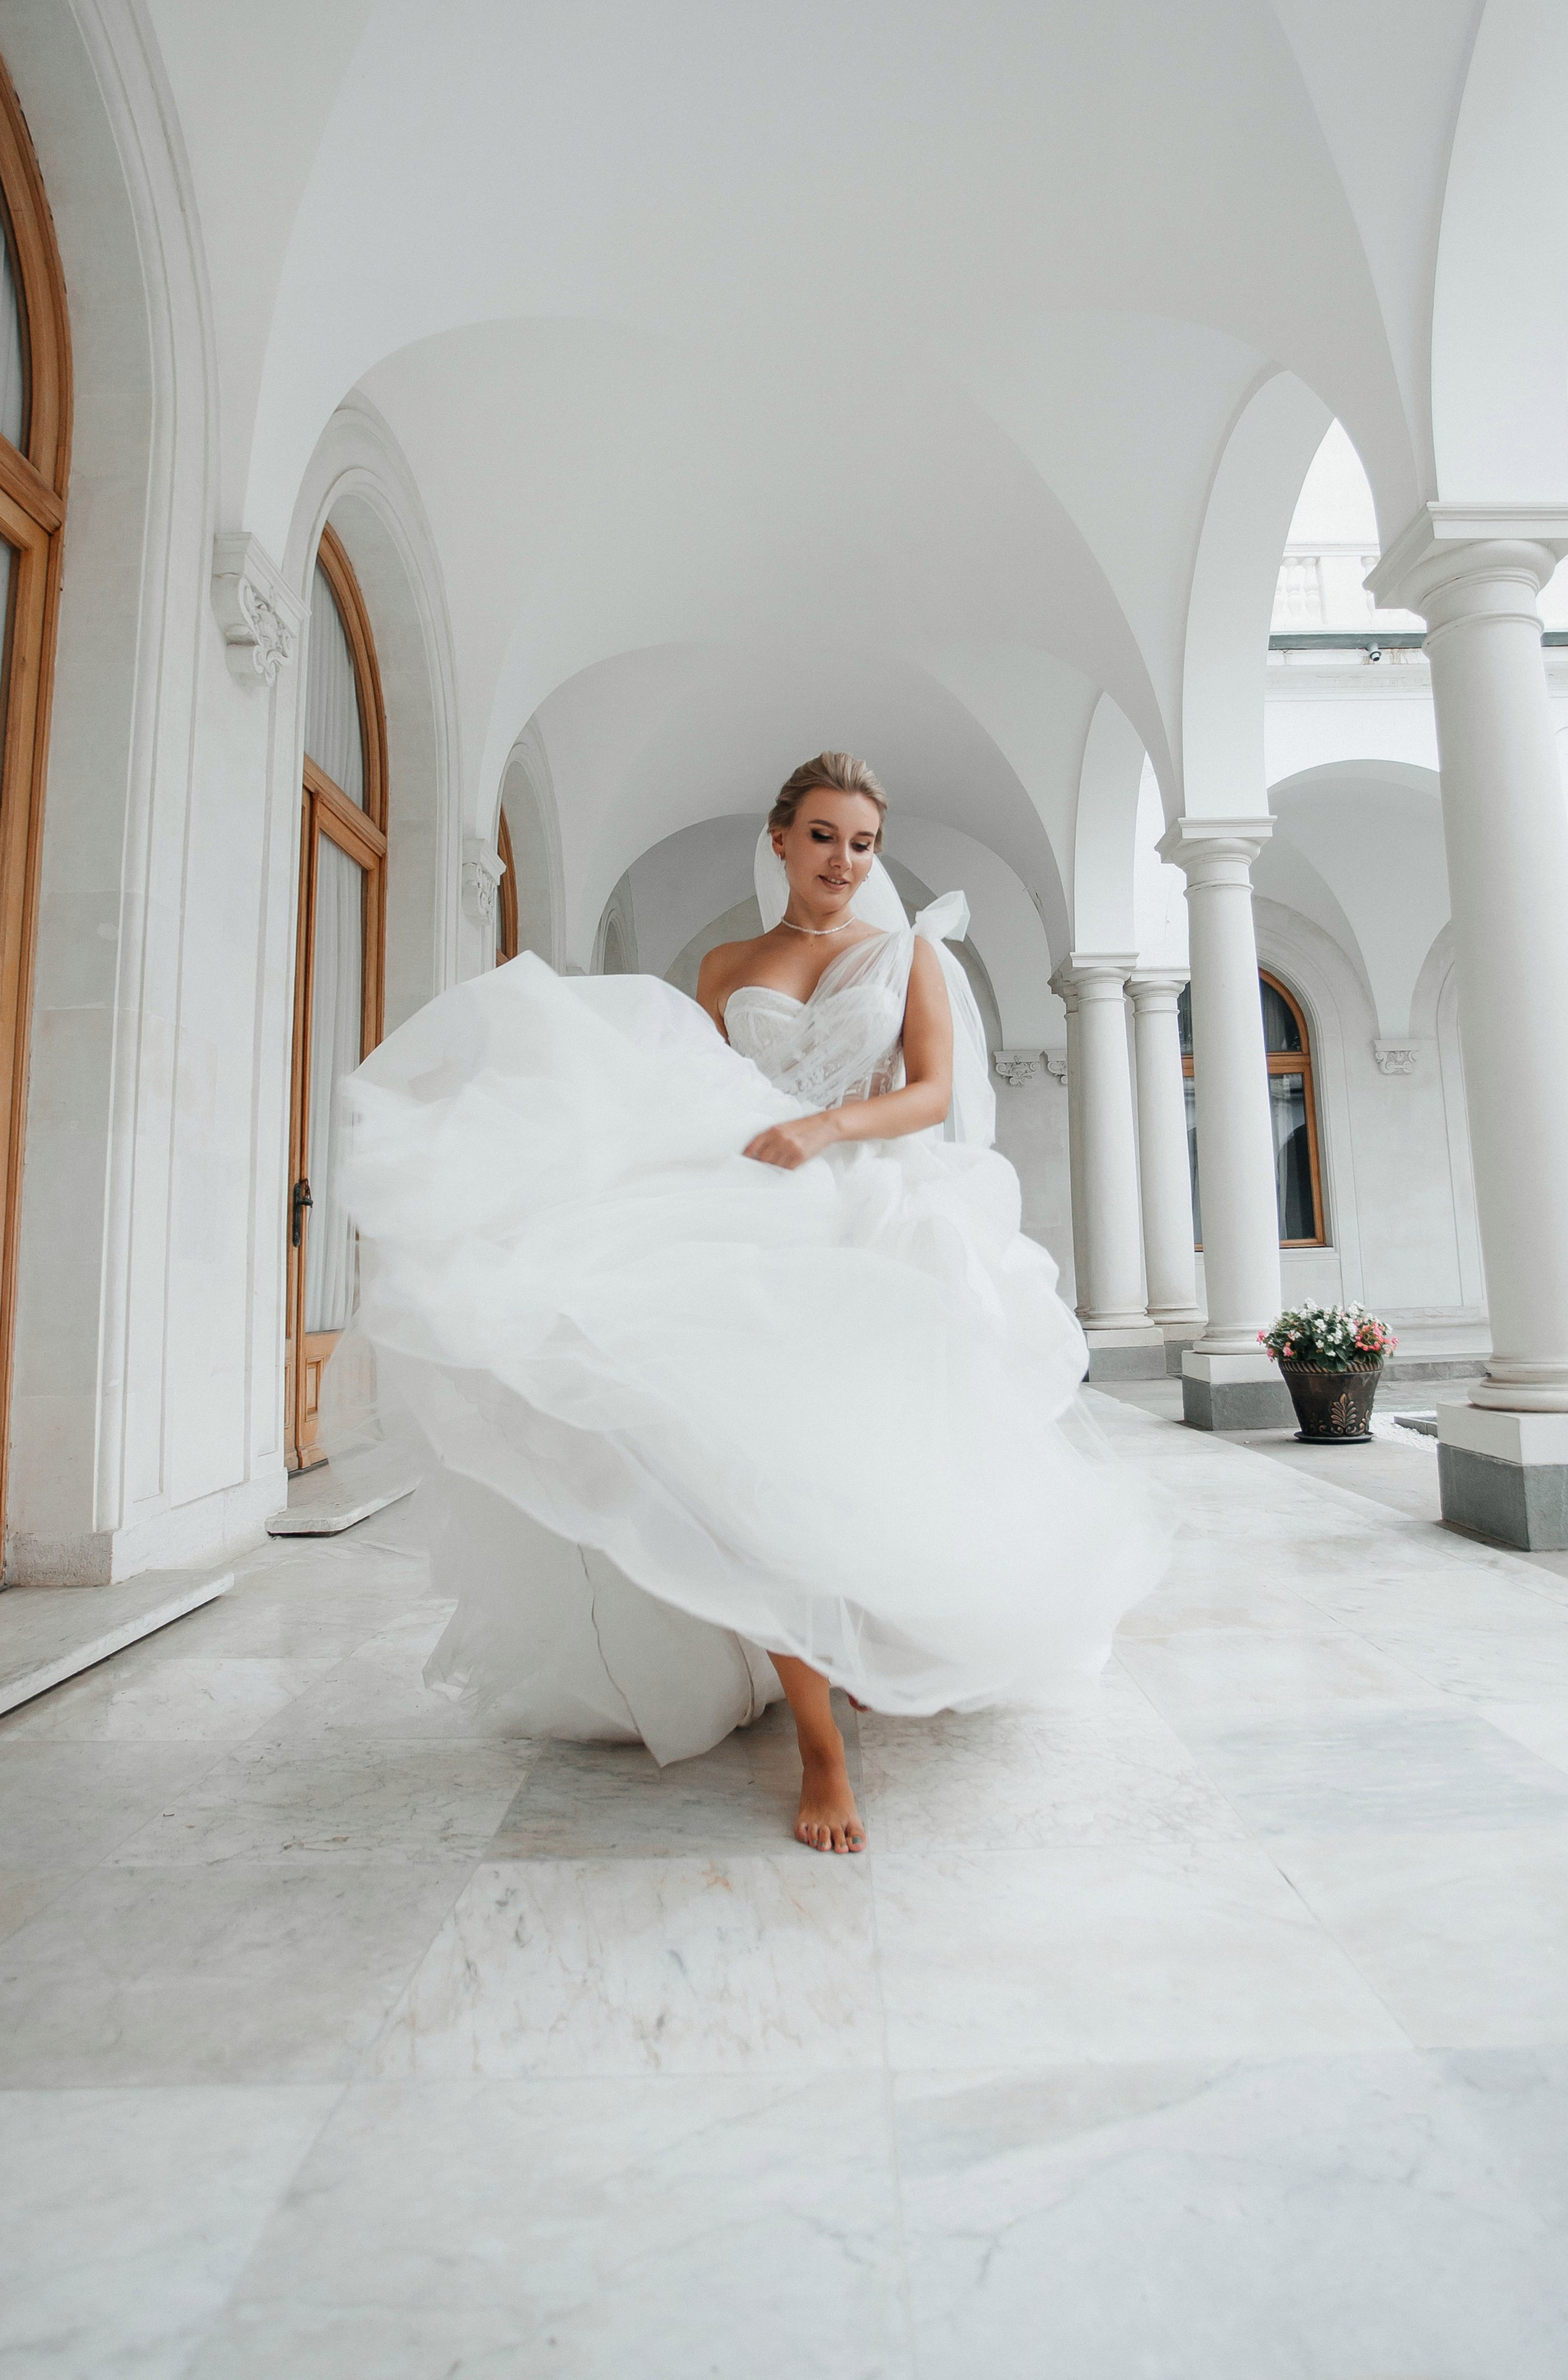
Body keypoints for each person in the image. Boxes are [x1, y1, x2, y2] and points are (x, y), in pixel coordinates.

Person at [329, 750, 1167, 1853]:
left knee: (852, 1463)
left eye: (862, 844)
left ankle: (863, 1656)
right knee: (742, 1469)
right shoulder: (725, 965)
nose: (843, 860)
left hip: (871, 1214)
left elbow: (930, 1093)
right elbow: (688, 1093)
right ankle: (818, 1745)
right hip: (742, 1212)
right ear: (779, 840)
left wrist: (826, 1129)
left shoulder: (908, 955)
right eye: (823, 836)